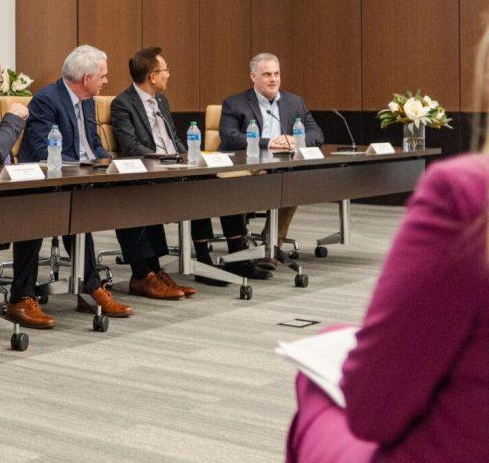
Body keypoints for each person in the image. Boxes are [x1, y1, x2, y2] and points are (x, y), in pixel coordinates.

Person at [285, 90, 489, 459]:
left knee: (313, 379)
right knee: (335, 335)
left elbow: (372, 414)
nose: (273, 79)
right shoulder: (240, 104)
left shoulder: (465, 193)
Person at [12, 45, 133, 330]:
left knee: (84, 213)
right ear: (86, 77)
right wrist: (84, 165)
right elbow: (42, 149)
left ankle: (89, 287)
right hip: (41, 182)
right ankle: (23, 296)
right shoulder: (46, 100)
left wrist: (104, 161)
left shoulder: (88, 100)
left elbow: (92, 141)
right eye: (102, 76)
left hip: (78, 178)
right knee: (42, 213)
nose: (106, 81)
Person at [217, 52, 323, 271]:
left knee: (293, 182)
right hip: (246, 166)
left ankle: (272, 244)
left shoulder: (294, 102)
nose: (273, 79)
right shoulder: (234, 103)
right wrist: (268, 143)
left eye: (276, 74)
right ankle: (238, 250)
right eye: (266, 74)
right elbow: (229, 137)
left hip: (281, 167)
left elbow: (317, 134)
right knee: (232, 184)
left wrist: (295, 139)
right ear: (253, 76)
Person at [106, 47, 197, 300]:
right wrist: (165, 159)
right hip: (144, 170)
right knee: (137, 196)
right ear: (152, 77)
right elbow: (130, 145)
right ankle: (143, 274)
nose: (169, 74)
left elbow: (173, 137)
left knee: (206, 182)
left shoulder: (161, 100)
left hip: (171, 167)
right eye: (165, 69)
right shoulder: (123, 103)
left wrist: (188, 156)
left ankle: (156, 270)